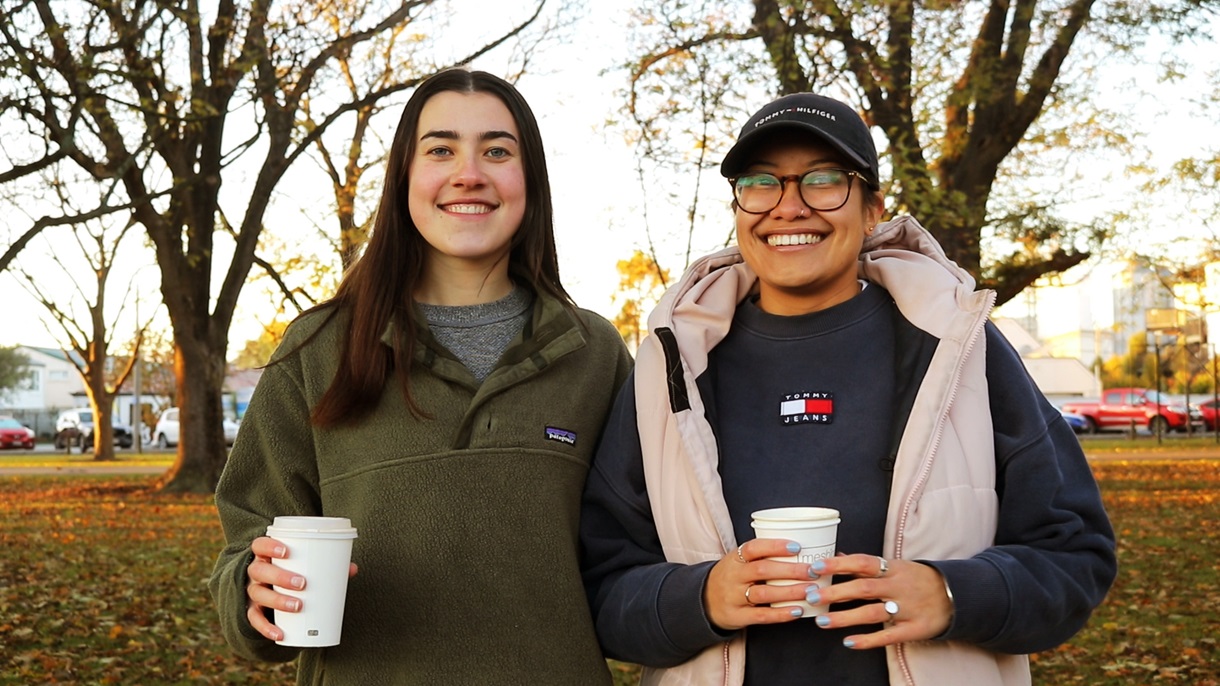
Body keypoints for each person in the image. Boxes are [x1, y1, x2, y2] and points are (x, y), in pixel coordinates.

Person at [580, 92, 1117, 685]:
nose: (789, 208)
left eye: (824, 180)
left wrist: (951, 593)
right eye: (762, 183)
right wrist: (700, 598)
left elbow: (1074, 554)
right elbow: (603, 584)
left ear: (871, 211)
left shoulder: (960, 350)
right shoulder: (669, 368)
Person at [209, 68, 632, 685]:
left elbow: (632, 558)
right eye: (440, 150)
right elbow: (245, 546)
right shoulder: (318, 348)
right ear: (405, 177)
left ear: (529, 181)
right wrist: (254, 590)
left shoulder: (594, 352)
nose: (470, 173)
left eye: (496, 150)